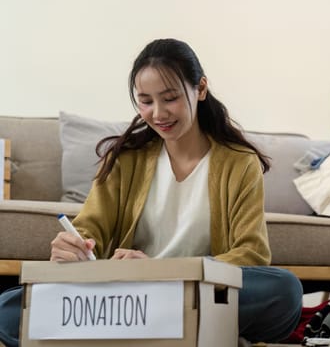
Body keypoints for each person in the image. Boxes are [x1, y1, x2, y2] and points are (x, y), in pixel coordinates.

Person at [0, 38, 302, 346]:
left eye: (169, 98)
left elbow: (251, 254)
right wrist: (75, 248)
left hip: (192, 293)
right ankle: (179, 335)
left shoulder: (239, 162)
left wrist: (160, 272)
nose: (158, 113)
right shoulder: (124, 159)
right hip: (126, 296)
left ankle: (123, 337)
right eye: (145, 101)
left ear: (200, 89)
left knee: (284, 291)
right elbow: (92, 229)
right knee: (7, 309)